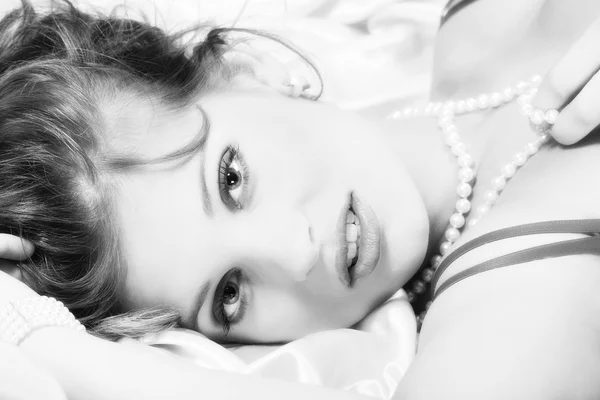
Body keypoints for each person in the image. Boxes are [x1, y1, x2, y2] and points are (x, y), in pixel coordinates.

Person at [2, 0, 600, 399]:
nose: (294, 252)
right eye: (230, 295)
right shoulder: (523, 283)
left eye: (231, 179)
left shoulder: (484, 22)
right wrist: (35, 335)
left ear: (246, 68)